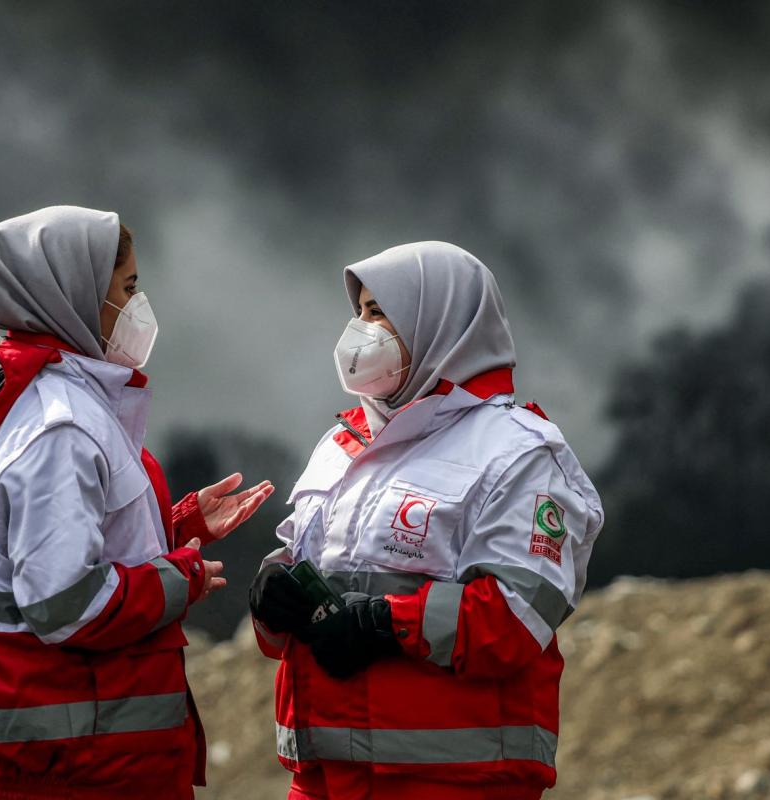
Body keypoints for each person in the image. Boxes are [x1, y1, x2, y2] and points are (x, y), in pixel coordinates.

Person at [0, 205, 274, 800]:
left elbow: (62, 547)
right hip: (85, 766)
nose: (139, 304)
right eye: (127, 288)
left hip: (77, 758)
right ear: (73, 294)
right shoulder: (61, 428)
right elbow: (65, 601)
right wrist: (177, 575)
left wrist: (174, 528)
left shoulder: (41, 399)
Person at [248, 241, 603, 800]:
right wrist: (274, 598)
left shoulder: (519, 453)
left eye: (379, 312)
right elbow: (317, 582)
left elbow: (517, 614)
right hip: (323, 781)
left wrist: (386, 626)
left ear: (439, 320)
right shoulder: (342, 447)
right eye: (358, 312)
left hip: (455, 781)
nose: (361, 329)